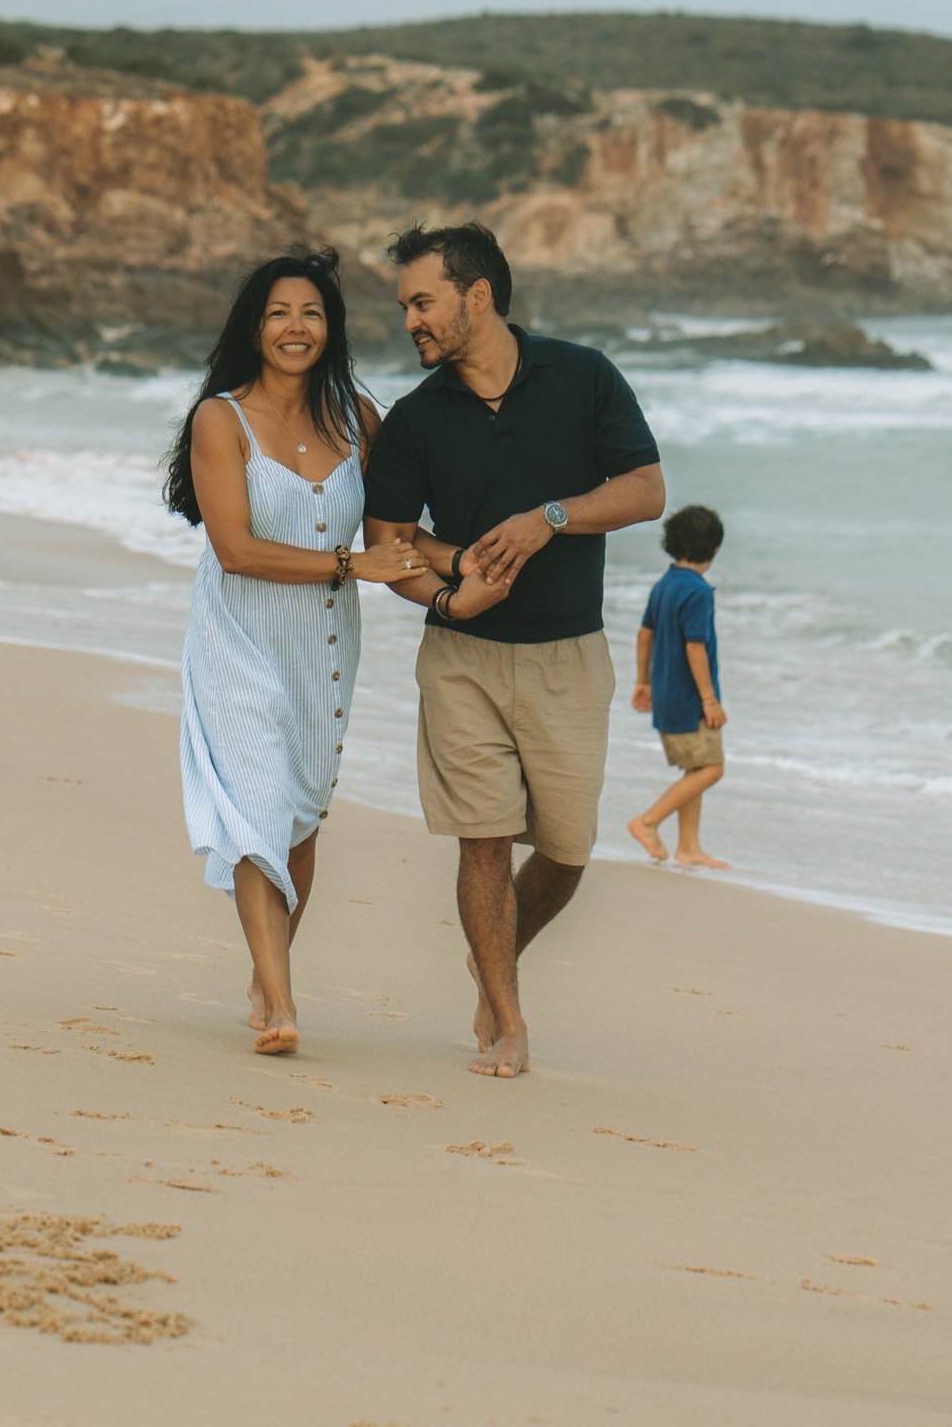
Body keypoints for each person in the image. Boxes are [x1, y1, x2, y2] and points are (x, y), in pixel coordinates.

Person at [363, 223, 665, 1080]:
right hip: (462, 657)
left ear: (478, 296)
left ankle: (492, 957)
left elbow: (646, 490)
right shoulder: (417, 421)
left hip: (568, 655)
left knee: (566, 851)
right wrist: (453, 589)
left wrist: (551, 518)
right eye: (405, 306)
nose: (411, 321)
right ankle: (506, 1016)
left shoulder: (584, 376)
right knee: (484, 841)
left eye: (423, 302)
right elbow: (388, 544)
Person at [167, 248, 486, 1057]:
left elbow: (393, 537)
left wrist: (467, 560)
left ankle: (265, 970)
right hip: (238, 632)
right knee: (257, 806)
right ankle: (279, 1000)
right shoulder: (220, 419)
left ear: (331, 328)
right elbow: (236, 550)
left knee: (302, 815)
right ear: (254, 326)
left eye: (311, 313)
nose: (296, 327)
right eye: (279, 313)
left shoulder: (358, 417)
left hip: (325, 639)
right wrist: (353, 565)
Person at [628, 505, 730, 869]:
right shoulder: (698, 591)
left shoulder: (665, 584)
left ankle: (689, 847)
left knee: (695, 767)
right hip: (690, 700)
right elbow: (695, 647)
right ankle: (648, 821)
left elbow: (644, 633)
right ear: (714, 549)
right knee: (712, 769)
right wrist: (710, 700)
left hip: (667, 693)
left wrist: (642, 681)